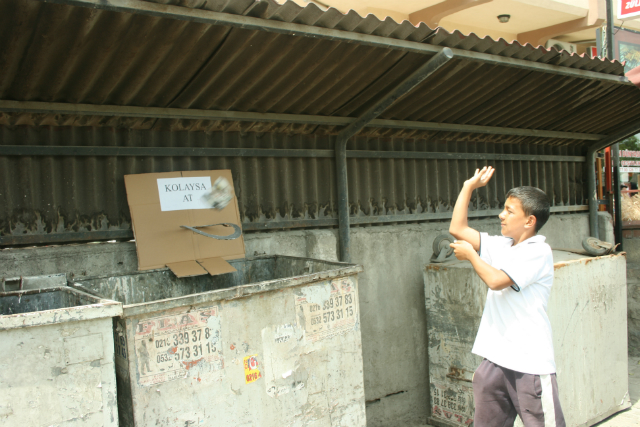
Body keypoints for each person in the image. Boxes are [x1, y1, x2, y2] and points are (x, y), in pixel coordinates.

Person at [448, 166, 565, 427]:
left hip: (529, 363)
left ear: (529, 221)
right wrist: (468, 186)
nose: (501, 215)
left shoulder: (538, 251)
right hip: (495, 359)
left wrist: (472, 256)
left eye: (509, 211)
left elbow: (496, 281)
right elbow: (458, 228)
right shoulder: (503, 245)